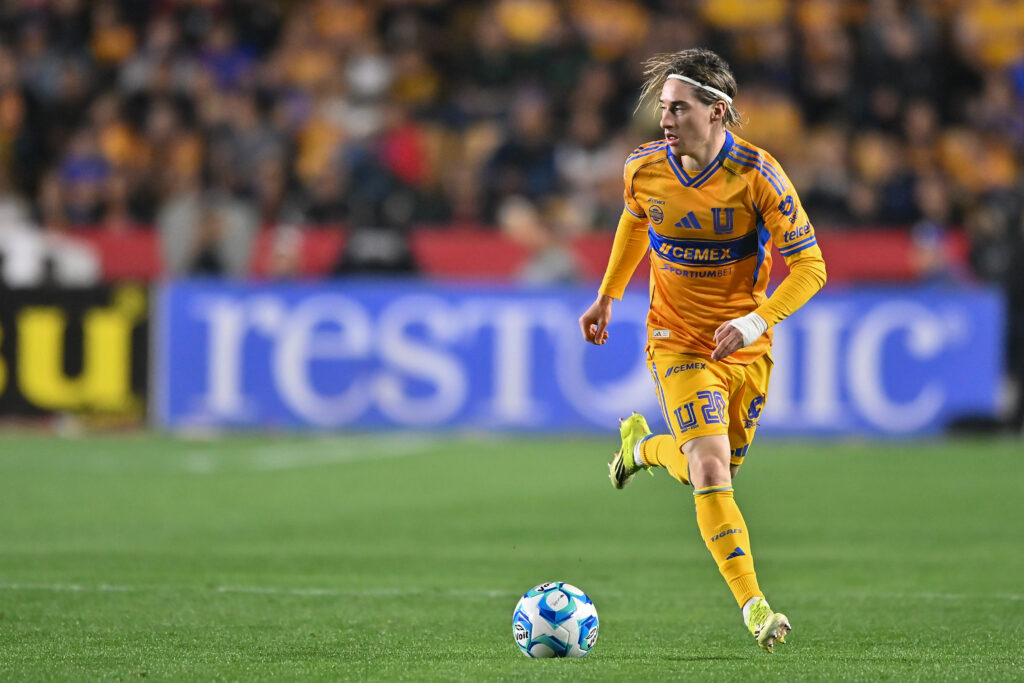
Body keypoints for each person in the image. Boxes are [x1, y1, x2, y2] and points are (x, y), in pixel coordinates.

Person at [578, 48, 827, 652]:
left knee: (707, 470)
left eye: (678, 107)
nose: (664, 119)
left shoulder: (757, 175)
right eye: (662, 107)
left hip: (744, 347)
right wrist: (608, 295)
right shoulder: (643, 168)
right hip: (676, 341)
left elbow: (810, 267)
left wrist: (755, 320)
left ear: (717, 112)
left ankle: (641, 449)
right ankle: (755, 606)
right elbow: (636, 221)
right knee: (712, 470)